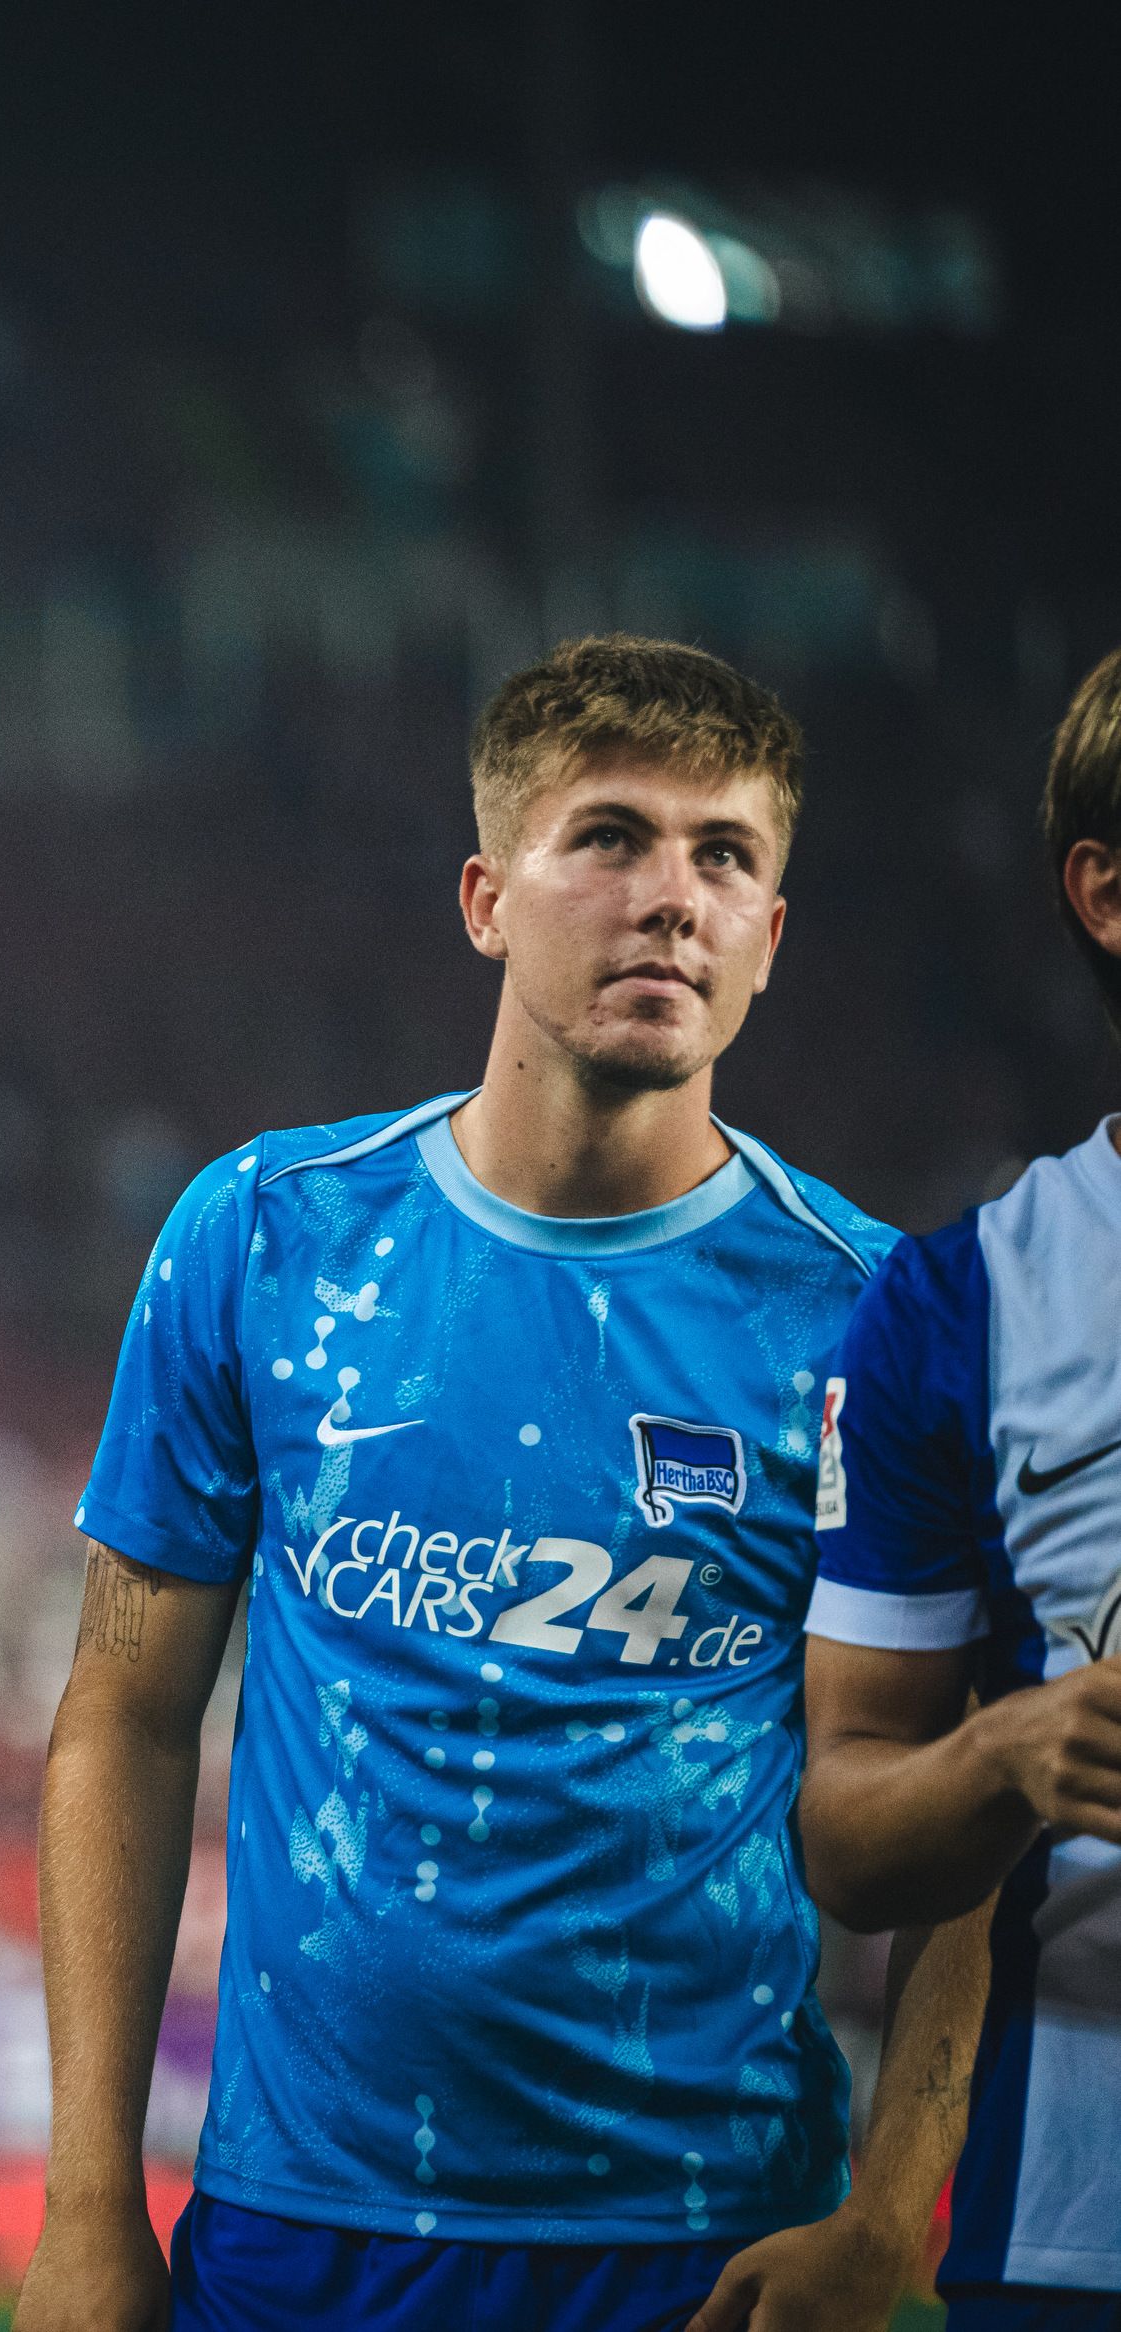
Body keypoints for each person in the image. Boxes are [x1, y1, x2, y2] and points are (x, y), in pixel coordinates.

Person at [15, 636, 973, 2332]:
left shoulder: (878, 1322)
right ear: (484, 896)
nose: (670, 895)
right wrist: (91, 2196)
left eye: (726, 856)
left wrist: (891, 2221)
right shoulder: (264, 1237)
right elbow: (123, 1716)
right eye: (609, 836)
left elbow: (958, 1804)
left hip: (705, 2240)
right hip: (301, 2229)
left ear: (770, 939)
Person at [797, 643, 1121, 2330]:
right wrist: (1010, 1745)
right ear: (1107, 891)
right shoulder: (962, 1302)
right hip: (1080, 2230)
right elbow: (845, 1830)